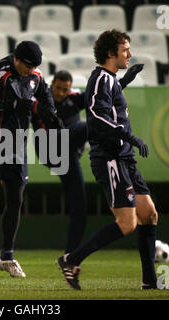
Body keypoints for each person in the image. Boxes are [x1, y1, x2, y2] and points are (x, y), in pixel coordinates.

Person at [56, 29, 159, 290]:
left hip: (124, 156)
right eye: (125, 49)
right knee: (127, 223)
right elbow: (98, 117)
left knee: (148, 214)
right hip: (110, 157)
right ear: (111, 53)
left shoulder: (109, 78)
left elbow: (107, 99)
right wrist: (131, 137)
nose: (130, 54)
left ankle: (150, 282)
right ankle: (71, 260)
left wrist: (124, 81)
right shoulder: (101, 78)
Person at [0, 41, 64, 278]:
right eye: (28, 66)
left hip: (17, 143)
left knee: (16, 199)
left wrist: (52, 115)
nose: (31, 71)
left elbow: (45, 97)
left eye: (34, 67)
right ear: (17, 60)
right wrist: (9, 105)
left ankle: (7, 256)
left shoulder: (36, 75)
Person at [32, 67, 143, 253]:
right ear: (52, 85)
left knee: (79, 207)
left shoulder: (74, 98)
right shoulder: (40, 102)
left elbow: (101, 96)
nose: (60, 93)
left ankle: (70, 256)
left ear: (69, 89)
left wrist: (123, 81)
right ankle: (113, 147)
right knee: (90, 124)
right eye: (57, 88)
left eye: (64, 90)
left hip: (67, 157)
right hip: (49, 150)